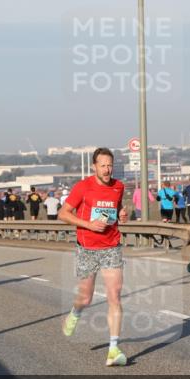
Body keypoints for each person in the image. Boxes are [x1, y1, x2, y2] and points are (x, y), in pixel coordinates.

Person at [58, 147, 130, 367]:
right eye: (103, 165)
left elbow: (116, 208)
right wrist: (89, 224)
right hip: (87, 248)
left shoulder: (119, 186)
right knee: (85, 298)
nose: (107, 170)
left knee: (114, 297)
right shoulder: (83, 187)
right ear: (94, 166)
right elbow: (63, 213)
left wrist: (122, 214)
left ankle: (113, 349)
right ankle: (75, 312)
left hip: (111, 246)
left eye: (110, 165)